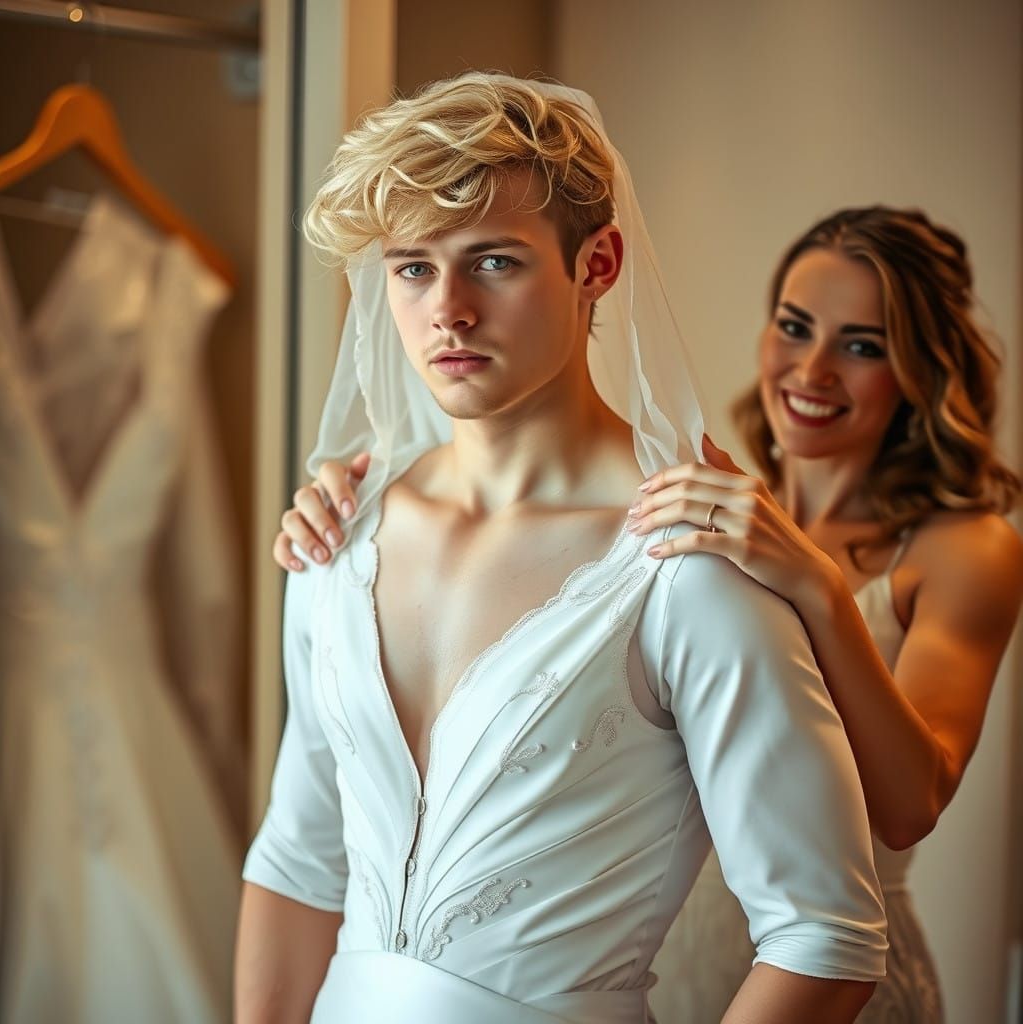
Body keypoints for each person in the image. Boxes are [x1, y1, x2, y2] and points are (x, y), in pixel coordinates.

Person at [237, 73, 888, 1023]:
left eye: (493, 262)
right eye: (413, 267)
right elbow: (297, 862)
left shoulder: (685, 568)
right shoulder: (340, 536)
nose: (447, 310)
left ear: (598, 263)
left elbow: (826, 938)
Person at [278, 203, 1023, 1023]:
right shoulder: (710, 498)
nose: (811, 372)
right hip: (659, 944)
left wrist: (817, 587)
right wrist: (357, 501)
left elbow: (911, 804)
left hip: (813, 966)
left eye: (862, 346)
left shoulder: (962, 548)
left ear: (919, 367)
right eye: (795, 327)